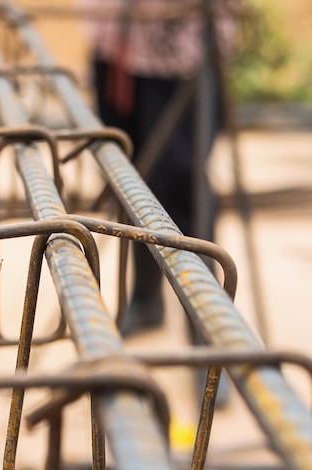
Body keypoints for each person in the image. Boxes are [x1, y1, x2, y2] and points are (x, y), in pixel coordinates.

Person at [84, 0, 238, 336]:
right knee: (126, 174)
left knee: (182, 181)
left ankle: (208, 328)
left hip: (182, 45)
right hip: (116, 42)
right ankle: (146, 299)